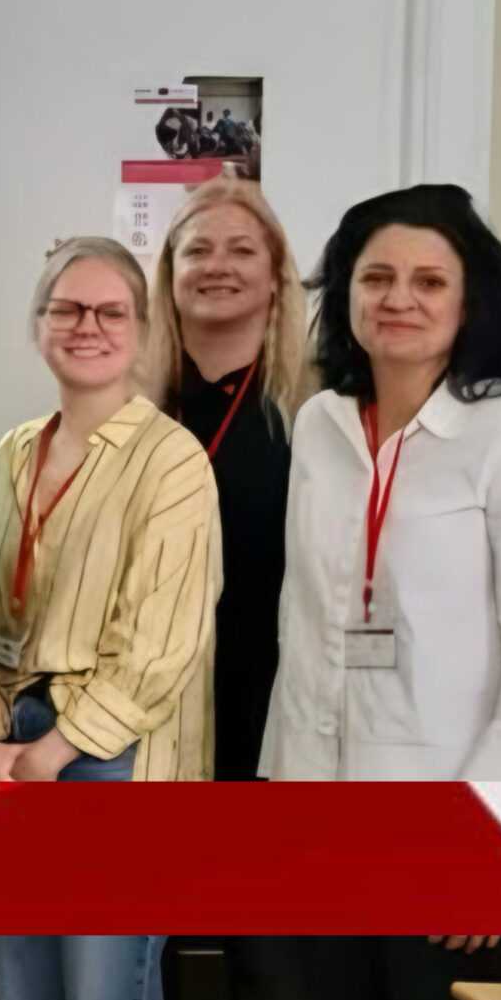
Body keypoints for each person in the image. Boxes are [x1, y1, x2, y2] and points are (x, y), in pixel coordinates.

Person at [261, 185, 501, 1000]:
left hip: (453, 840)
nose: (398, 299)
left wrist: (484, 851)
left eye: (429, 281)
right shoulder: (320, 425)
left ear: (471, 301)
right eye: (375, 277)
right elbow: (304, 632)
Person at [0, 236, 220, 1000]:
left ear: (142, 330)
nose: (87, 326)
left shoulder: (172, 459)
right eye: (67, 309)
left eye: (111, 312)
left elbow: (159, 646)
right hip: (12, 747)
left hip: (115, 759)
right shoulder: (12, 453)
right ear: (38, 324)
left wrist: (53, 752)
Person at [139, 175, 311, 783]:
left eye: (241, 250)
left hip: (269, 702)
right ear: (170, 272)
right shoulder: (124, 403)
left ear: (276, 275)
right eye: (197, 250)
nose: (218, 266)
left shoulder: (315, 408)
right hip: (142, 701)